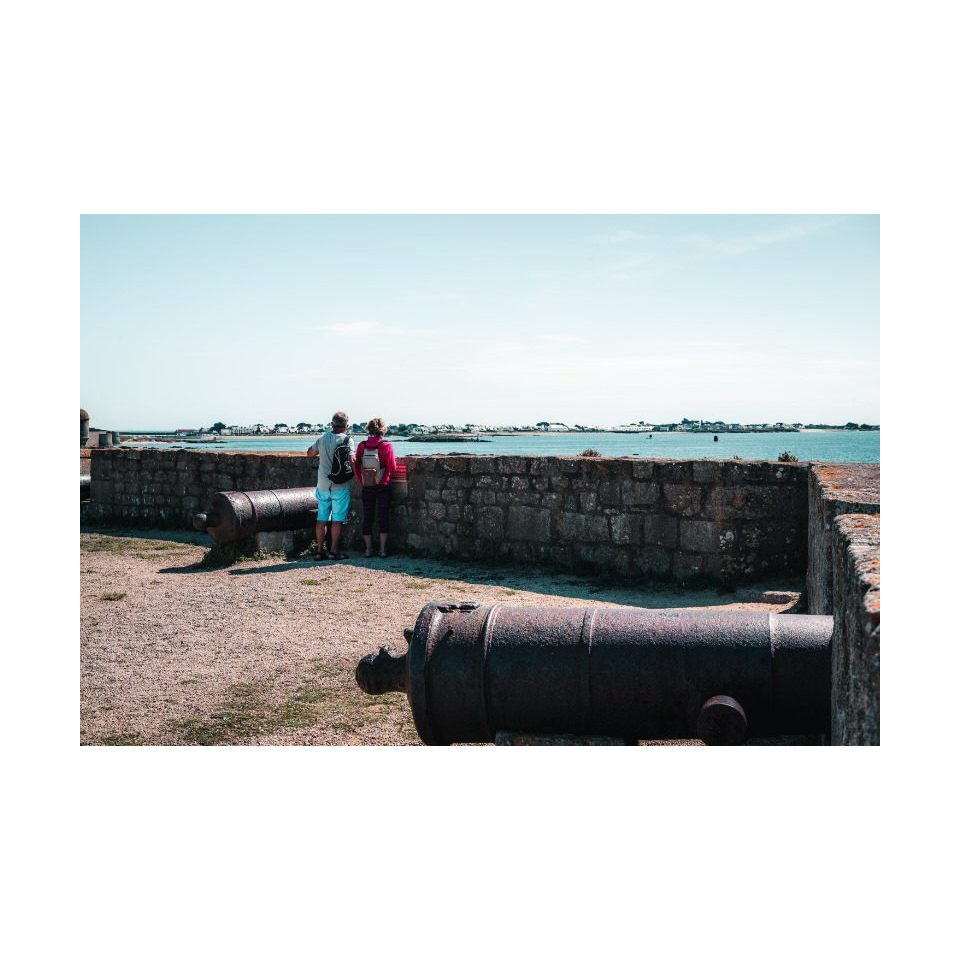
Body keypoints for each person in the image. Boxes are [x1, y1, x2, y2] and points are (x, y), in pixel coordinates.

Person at [306, 411, 355, 561]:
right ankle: (333, 551)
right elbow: (352, 460)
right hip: (340, 485)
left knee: (322, 518)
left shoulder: (322, 438)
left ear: (332, 424)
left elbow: (309, 453)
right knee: (337, 519)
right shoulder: (347, 440)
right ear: (346, 426)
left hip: (322, 484)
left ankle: (320, 551)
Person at [354, 417, 397, 558]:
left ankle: (368, 550)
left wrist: (363, 481)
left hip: (368, 485)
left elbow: (356, 467)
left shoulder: (362, 446)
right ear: (382, 429)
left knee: (368, 516)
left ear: (368, 428)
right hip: (383, 485)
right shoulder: (386, 445)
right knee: (383, 516)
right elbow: (392, 467)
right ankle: (383, 550)